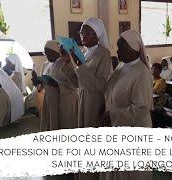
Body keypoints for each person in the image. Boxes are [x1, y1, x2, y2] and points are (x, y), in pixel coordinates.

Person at [100, 29, 153, 180]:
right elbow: (110, 90)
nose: (117, 51)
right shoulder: (122, 66)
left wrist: (112, 115)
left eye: (120, 47)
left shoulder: (141, 73)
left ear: (133, 49)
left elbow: (141, 109)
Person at [62, 17, 112, 128]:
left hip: (95, 102)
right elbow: (77, 83)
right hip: (82, 99)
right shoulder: (84, 52)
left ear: (97, 35)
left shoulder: (103, 54)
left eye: (87, 33)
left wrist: (79, 64)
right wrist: (67, 62)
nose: (83, 35)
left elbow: (100, 85)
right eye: (81, 32)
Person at [39, 40, 78, 131]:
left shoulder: (65, 63)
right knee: (51, 123)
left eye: (49, 53)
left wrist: (56, 85)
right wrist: (40, 82)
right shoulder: (45, 64)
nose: (47, 56)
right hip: (50, 99)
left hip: (63, 100)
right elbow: (44, 82)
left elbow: (73, 85)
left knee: (63, 124)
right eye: (45, 53)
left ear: (56, 52)